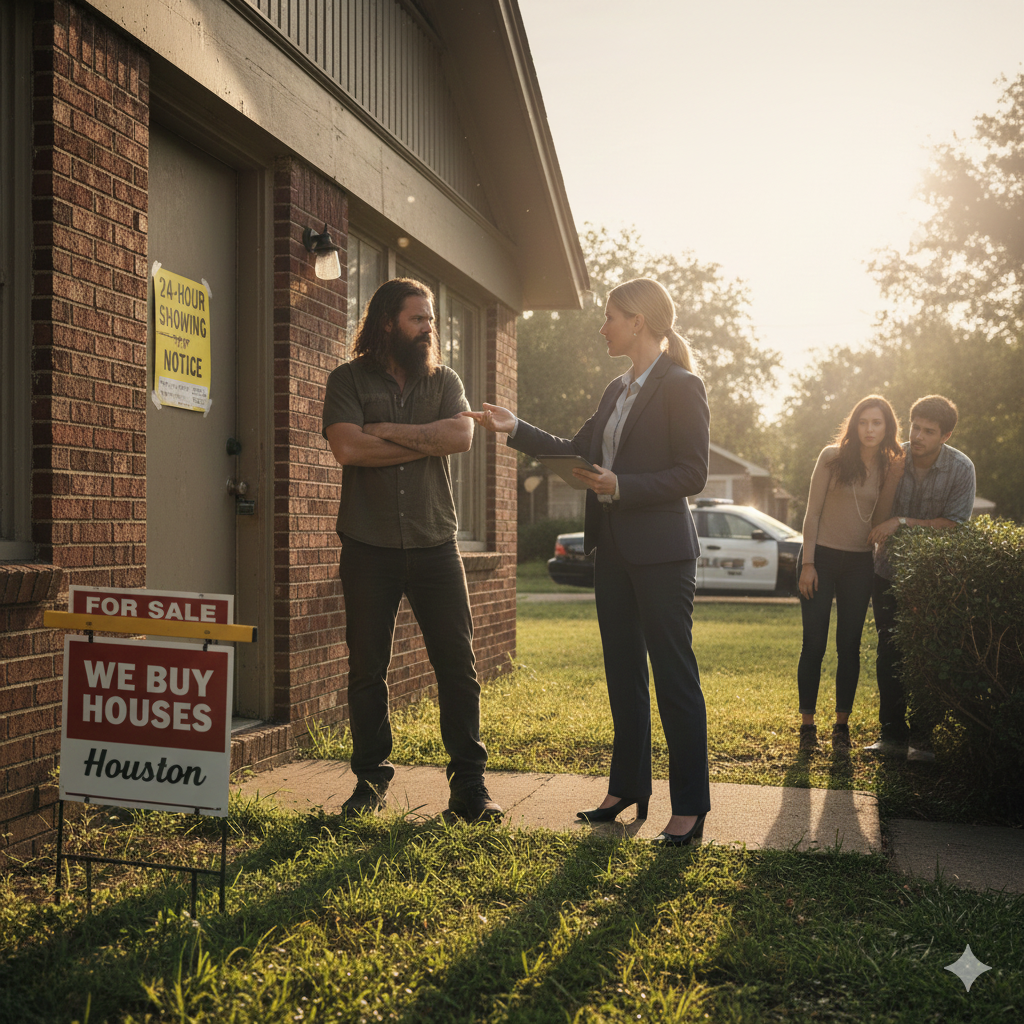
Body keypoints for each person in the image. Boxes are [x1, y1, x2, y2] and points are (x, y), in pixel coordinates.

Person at [465, 278, 711, 846]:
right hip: (614, 552)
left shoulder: (682, 385)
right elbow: (576, 453)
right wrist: (514, 427)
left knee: (674, 678)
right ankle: (627, 788)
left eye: (610, 318)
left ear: (639, 323)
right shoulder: (614, 390)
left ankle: (691, 807)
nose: (603, 327)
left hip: (664, 553)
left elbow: (691, 473)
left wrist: (622, 484)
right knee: (623, 673)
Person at [321, 278, 501, 822]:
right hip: (366, 543)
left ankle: (469, 786)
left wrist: (387, 432)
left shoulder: (445, 380)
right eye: (418, 319)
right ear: (386, 323)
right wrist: (421, 439)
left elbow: (461, 438)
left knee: (457, 666)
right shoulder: (347, 378)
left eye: (431, 320)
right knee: (367, 669)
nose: (429, 328)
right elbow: (347, 447)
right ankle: (370, 782)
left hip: (434, 543)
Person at [864, 394, 976, 761]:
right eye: (915, 427)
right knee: (889, 649)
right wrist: (893, 479)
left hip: (934, 577)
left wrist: (902, 522)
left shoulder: (961, 468)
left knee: (928, 650)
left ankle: (923, 739)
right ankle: (892, 735)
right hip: (887, 570)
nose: (919, 436)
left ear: (945, 435)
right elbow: (875, 515)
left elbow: (955, 525)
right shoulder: (893, 457)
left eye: (929, 431)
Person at [796, 396, 904, 753]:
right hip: (820, 559)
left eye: (878, 423)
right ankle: (807, 726)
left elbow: (878, 520)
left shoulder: (890, 466)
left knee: (849, 647)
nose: (870, 429)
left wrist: (894, 478)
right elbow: (811, 514)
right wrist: (808, 563)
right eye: (864, 422)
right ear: (854, 425)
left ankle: (841, 726)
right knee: (813, 643)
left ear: (887, 428)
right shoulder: (831, 457)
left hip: (859, 564)